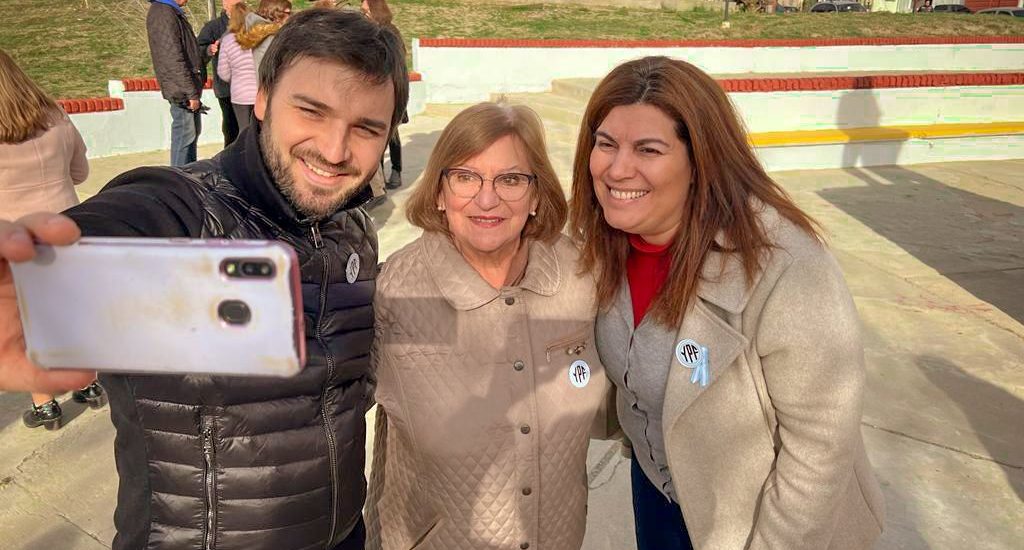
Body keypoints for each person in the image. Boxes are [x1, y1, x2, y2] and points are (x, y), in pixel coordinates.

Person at [0, 9, 407, 550]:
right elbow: (124, 220)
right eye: (311, 111)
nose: (334, 151)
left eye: (365, 129)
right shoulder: (183, 209)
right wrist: (37, 272)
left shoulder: (354, 227)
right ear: (261, 98)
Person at [569, 56, 885, 550]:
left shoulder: (785, 265)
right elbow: (603, 382)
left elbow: (820, 448)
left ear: (700, 162)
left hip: (768, 524)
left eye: (647, 149)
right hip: (659, 493)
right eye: (605, 143)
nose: (616, 167)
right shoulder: (604, 246)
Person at [365, 102, 611, 550]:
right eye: (465, 177)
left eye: (511, 179)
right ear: (439, 192)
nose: (487, 198)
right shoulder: (394, 293)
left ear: (537, 195)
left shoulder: (580, 278)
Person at [0, 49, 106, 429]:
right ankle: (89, 384)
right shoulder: (57, 116)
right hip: (65, 228)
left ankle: (45, 404)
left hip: (14, 239)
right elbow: (81, 171)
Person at [146, 0, 206, 167]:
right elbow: (172, 57)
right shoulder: (164, 13)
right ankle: (179, 180)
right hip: (181, 90)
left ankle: (188, 177)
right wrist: (189, 92)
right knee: (184, 138)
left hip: (183, 88)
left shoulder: (169, 11)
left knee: (190, 134)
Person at [197, 0, 243, 147]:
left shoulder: (251, 24)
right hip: (226, 88)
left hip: (248, 86)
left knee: (249, 128)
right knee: (231, 127)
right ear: (225, 4)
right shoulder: (213, 27)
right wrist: (209, 50)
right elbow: (198, 50)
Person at [217, 2, 259, 132]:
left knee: (245, 132)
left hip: (240, 94)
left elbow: (223, 72)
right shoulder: (259, 37)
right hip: (259, 92)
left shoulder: (228, 40)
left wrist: (235, 78)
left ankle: (247, 152)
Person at [236, 0, 292, 81]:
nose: (290, 17)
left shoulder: (253, 30)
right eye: (287, 13)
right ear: (274, 13)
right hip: (267, 87)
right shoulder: (272, 38)